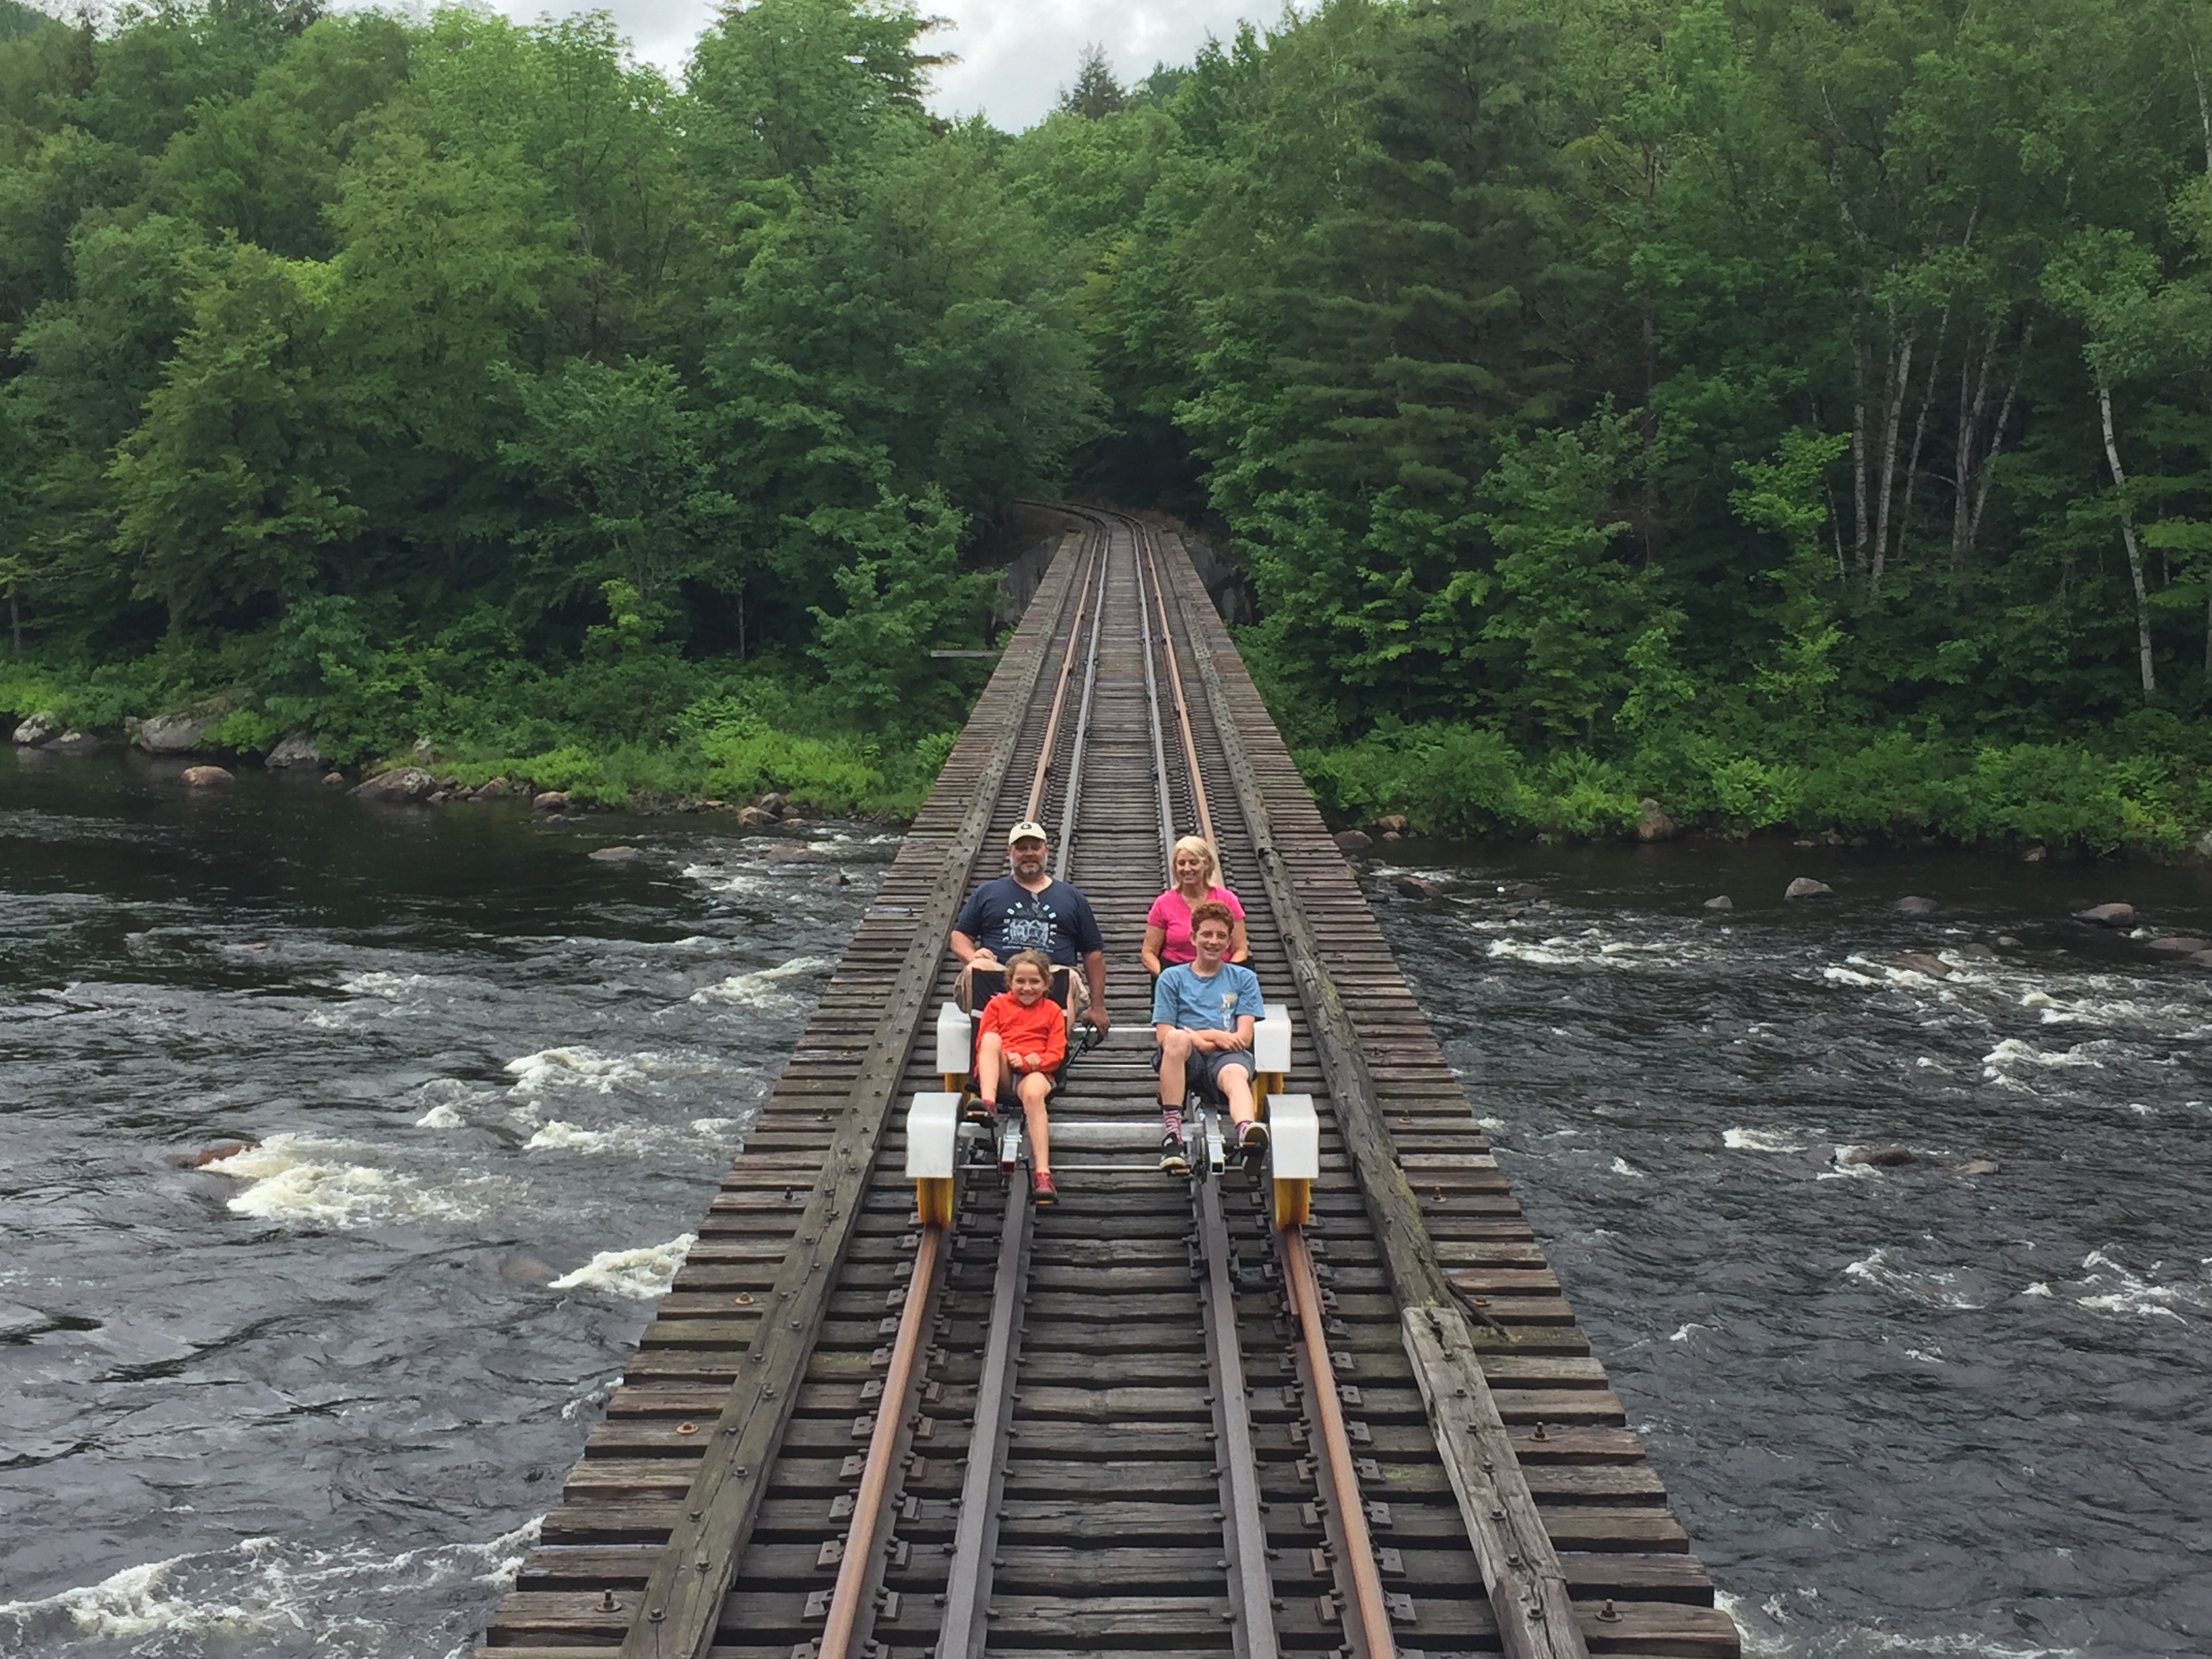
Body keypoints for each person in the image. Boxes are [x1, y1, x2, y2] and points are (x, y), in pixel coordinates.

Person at [950, 821, 1108, 1036]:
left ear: (1046, 851)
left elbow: (1093, 952)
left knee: (1069, 977)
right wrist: (973, 956)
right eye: (1022, 848)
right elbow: (959, 936)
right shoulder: (987, 892)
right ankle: (985, 1045)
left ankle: (1053, 1056)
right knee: (975, 970)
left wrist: (1097, 1007)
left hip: (1053, 977)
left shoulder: (1072, 897)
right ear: (1010, 853)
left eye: (1035, 847)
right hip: (1001, 974)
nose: (1029, 854)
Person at [1152, 899, 1267, 1174]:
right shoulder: (1172, 978)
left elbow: (1242, 1037)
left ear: (1229, 942)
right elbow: (1164, 1034)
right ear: (1193, 937)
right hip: (1184, 1057)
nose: (1213, 942)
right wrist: (1210, 1036)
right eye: (1206, 934)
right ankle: (1173, 1134)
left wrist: (1203, 1039)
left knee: (1236, 1073)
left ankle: (1245, 1131)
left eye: (1220, 936)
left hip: (1227, 1058)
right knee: (1177, 1040)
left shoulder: (1244, 978)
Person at [972, 949, 1065, 1206]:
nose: (1027, 988)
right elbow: (984, 1042)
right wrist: (1009, 1055)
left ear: (1046, 984)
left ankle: (1043, 1174)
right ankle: (988, 1104)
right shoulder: (997, 1005)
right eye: (1020, 982)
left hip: (1035, 1071)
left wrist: (1029, 1062)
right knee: (991, 1039)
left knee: (1034, 1094)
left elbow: (1056, 1054)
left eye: (1034, 982)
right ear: (1010, 982)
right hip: (1002, 1069)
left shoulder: (1053, 1010)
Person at [1141, 834, 1248, 976]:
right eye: (1181, 863)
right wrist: (1167, 980)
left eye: (1193, 863)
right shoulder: (1163, 903)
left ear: (1206, 864)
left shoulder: (1227, 899)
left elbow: (1241, 949)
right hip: (1176, 976)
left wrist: (1226, 978)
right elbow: (1148, 953)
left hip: (1219, 974)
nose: (1187, 869)